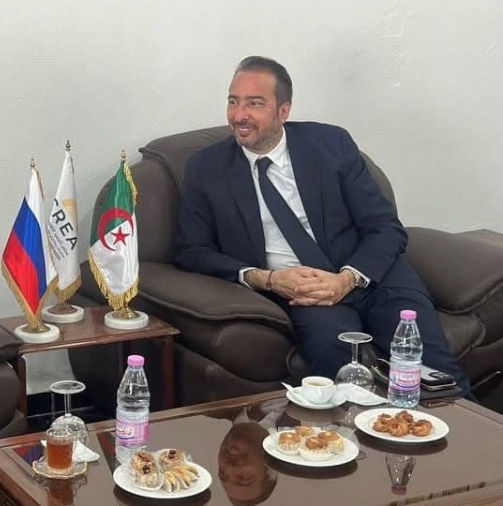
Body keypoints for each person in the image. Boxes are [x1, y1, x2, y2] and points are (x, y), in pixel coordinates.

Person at [175, 56, 469, 393]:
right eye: (233, 101)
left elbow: (386, 227)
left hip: (372, 278)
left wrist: (346, 279)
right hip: (303, 294)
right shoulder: (206, 168)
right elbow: (192, 250)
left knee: (435, 372)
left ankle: (467, 427)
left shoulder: (331, 145)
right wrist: (266, 279)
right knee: (342, 375)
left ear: (283, 111)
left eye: (254, 104)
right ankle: (368, 426)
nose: (239, 115)